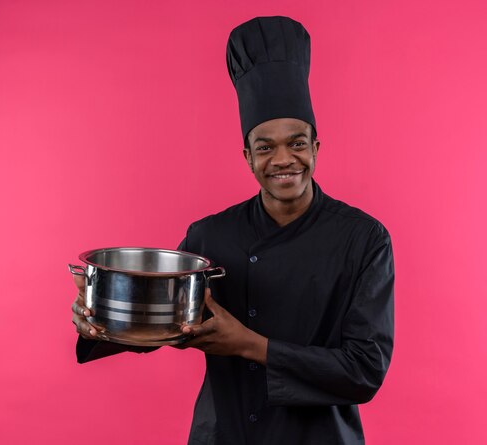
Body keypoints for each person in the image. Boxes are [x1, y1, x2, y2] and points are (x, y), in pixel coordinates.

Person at [71, 16, 394, 444]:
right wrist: (100, 320)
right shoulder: (210, 236)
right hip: (223, 433)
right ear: (247, 155)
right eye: (265, 147)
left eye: (297, 143)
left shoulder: (364, 239)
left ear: (316, 147)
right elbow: (161, 319)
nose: (283, 158)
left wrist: (247, 344)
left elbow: (364, 371)